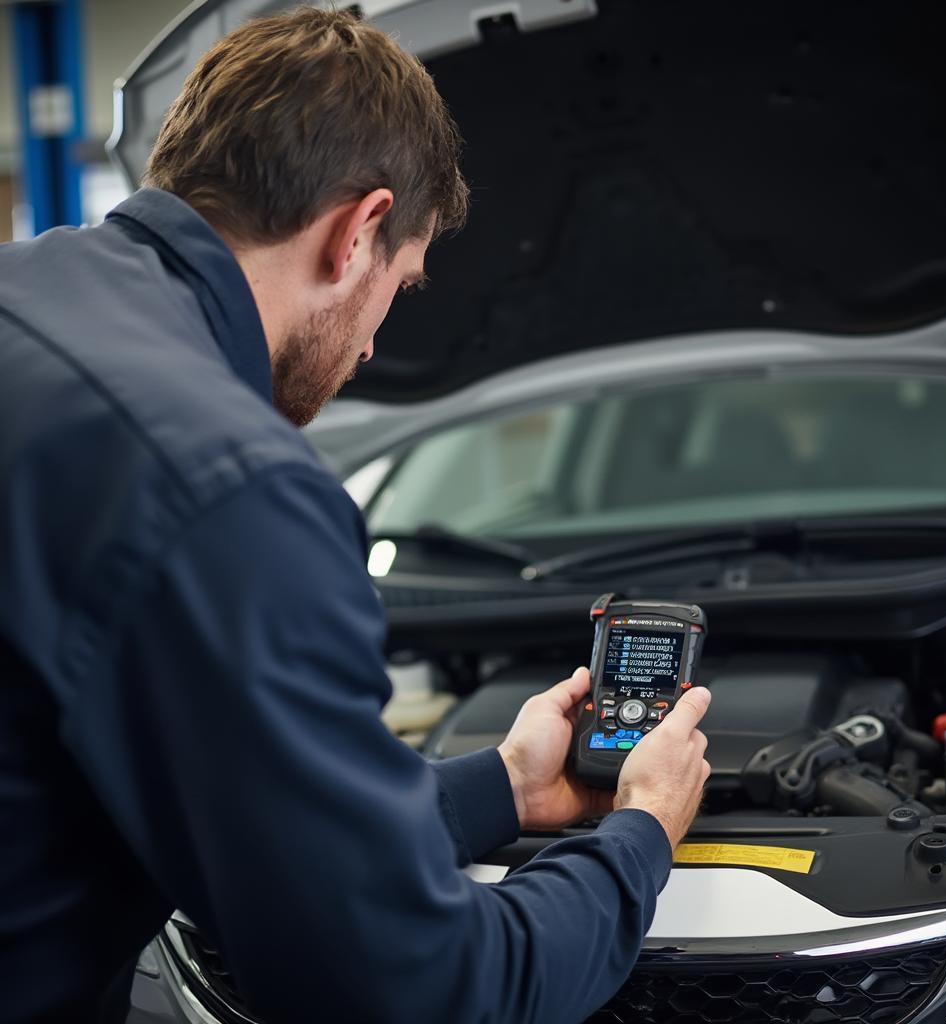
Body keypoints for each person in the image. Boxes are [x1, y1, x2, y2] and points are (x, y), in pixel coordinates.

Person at [0, 7, 711, 1023]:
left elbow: (242, 801)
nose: (375, 345)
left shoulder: (30, 300)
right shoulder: (229, 484)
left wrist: (503, 785)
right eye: (401, 285)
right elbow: (418, 991)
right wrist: (639, 834)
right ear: (356, 231)